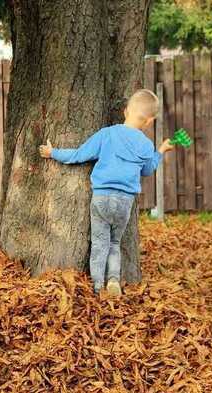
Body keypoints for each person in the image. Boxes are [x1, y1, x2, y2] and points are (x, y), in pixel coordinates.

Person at [39, 89, 174, 296]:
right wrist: (161, 151)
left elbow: (79, 155)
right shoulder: (146, 145)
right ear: (149, 122)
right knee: (114, 243)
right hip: (125, 202)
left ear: (126, 111)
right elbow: (147, 170)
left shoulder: (107, 134)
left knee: (100, 243)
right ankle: (113, 280)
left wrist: (53, 153)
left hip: (102, 198)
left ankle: (97, 286)